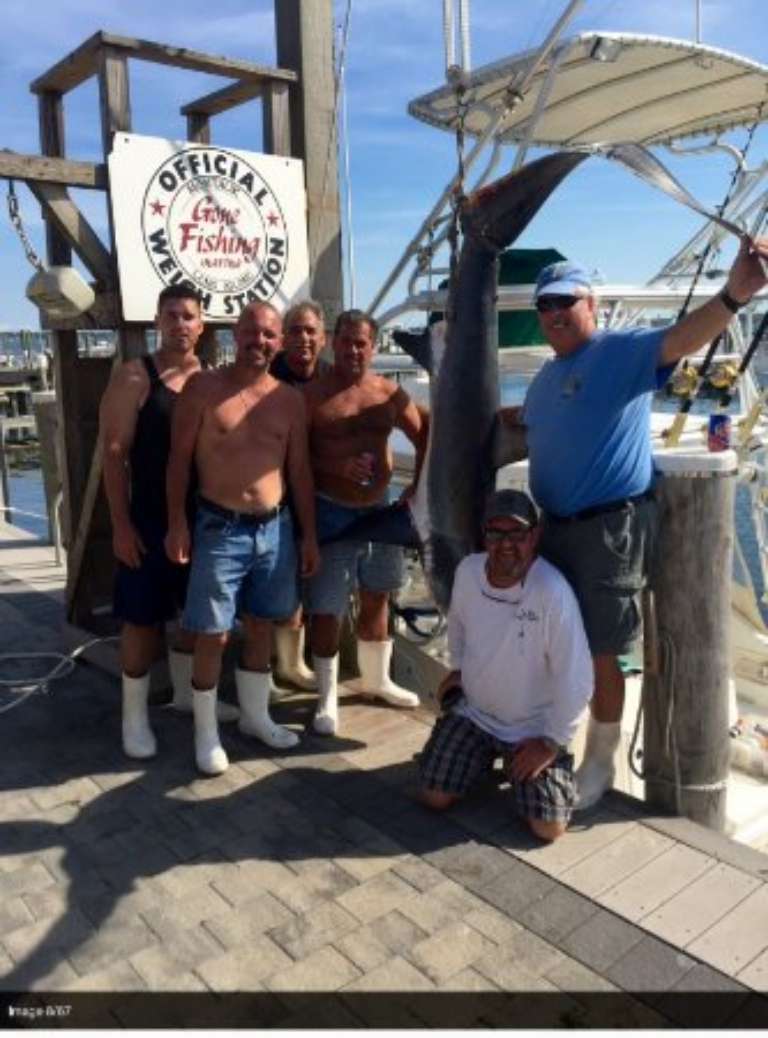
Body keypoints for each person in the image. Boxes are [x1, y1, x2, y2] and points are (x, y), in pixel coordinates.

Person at [517, 235, 768, 809]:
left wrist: (733, 295)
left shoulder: (618, 352)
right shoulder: (546, 376)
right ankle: (553, 738)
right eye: (544, 306)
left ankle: (601, 762)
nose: (554, 313)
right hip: (551, 527)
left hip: (608, 529)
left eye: (564, 301)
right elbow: (523, 425)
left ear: (591, 305)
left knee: (605, 648)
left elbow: (682, 338)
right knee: (558, 639)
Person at [165, 301, 319, 775]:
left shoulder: (289, 400)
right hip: (220, 527)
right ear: (235, 333)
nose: (260, 342)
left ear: (280, 340)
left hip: (276, 528)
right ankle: (206, 731)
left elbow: (299, 472)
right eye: (251, 333)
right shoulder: (203, 388)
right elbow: (178, 462)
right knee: (211, 633)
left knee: (262, 624)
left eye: (270, 335)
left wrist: (309, 535)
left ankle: (255, 717)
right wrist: (177, 522)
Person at [101, 283, 239, 762]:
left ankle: (186, 696)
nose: (180, 324)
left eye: (189, 316)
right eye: (172, 315)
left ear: (202, 326)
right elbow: (113, 455)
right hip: (148, 520)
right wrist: (120, 524)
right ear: (158, 322)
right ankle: (133, 718)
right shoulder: (133, 377)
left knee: (199, 617)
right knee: (141, 621)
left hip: (205, 520)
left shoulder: (213, 380)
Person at [417, 490, 592, 842]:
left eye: (517, 534)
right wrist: (460, 669)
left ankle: (540, 769)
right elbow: (459, 627)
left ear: (535, 536)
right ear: (484, 536)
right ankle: (476, 759)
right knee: (433, 797)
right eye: (496, 533)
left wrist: (551, 743)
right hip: (476, 713)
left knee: (548, 828)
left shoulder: (552, 592)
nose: (506, 544)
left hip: (531, 729)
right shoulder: (467, 572)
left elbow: (578, 678)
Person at [304, 308, 426, 735]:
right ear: (332, 342)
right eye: (346, 340)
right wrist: (336, 469)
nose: (353, 349)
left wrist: (418, 486)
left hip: (382, 509)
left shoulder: (389, 393)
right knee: (326, 607)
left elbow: (424, 432)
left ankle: (377, 681)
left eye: (362, 342)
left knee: (378, 595)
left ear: (373, 347)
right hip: (330, 509)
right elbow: (294, 458)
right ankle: (325, 697)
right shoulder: (312, 394)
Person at [268, 299, 330, 692]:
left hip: (325, 497)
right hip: (276, 501)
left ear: (323, 338)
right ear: (282, 338)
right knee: (277, 587)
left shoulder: (333, 378)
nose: (303, 338)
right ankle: (277, 664)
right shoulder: (266, 378)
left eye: (310, 331)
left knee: (313, 585)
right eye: (294, 330)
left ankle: (293, 663)